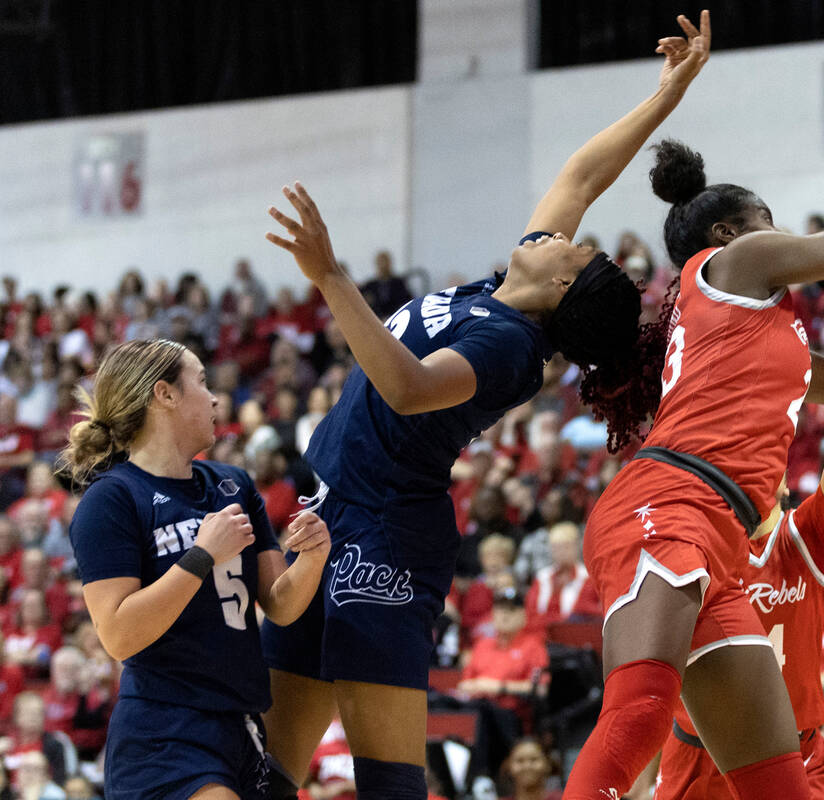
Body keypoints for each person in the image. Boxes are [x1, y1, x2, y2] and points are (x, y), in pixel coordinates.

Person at [258, 14, 713, 800]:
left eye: (568, 247)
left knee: (388, 779)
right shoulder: (506, 292)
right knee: (265, 773)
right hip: (328, 510)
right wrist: (666, 94)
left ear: (562, 285)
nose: (552, 233)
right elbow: (581, 175)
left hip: (389, 533)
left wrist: (332, 277)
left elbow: (406, 385)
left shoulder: (510, 348)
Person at [564, 118, 824, 798]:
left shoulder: (763, 329)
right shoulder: (731, 267)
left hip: (720, 534)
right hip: (668, 502)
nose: (782, 236)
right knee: (641, 710)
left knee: (779, 786)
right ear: (730, 235)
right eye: (769, 222)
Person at [61, 339, 331, 800]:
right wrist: (200, 556)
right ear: (164, 395)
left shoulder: (233, 483)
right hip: (165, 731)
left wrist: (312, 555)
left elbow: (281, 605)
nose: (214, 398)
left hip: (242, 722)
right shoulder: (112, 499)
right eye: (202, 382)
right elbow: (119, 635)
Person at [654, 278, 824, 800]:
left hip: (793, 747)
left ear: (781, 478)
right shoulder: (698, 544)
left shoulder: (807, 536)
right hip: (699, 748)